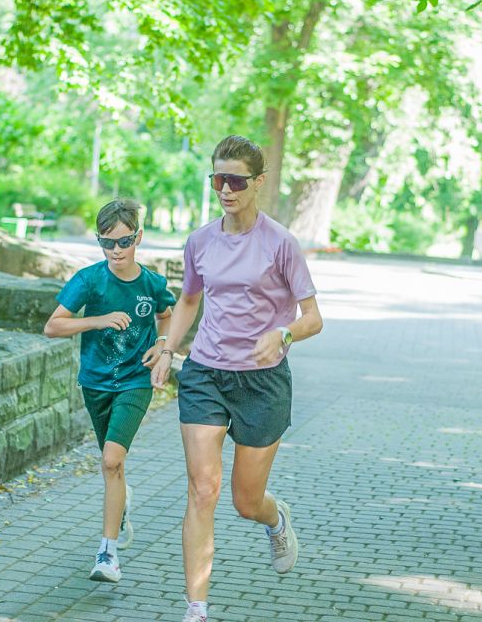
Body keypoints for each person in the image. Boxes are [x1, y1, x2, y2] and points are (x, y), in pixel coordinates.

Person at [151, 135, 323, 621]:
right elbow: (188, 300)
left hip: (262, 382)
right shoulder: (200, 241)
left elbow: (313, 317)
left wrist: (283, 334)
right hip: (205, 373)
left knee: (245, 501)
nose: (225, 189)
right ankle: (196, 608)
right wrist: (168, 347)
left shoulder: (280, 243)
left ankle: (275, 517)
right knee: (202, 488)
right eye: (218, 179)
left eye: (235, 180)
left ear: (259, 183)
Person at [44, 199, 175, 582]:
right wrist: (97, 320)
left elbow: (167, 314)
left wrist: (162, 344)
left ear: (139, 237)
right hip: (96, 384)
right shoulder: (89, 280)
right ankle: (121, 506)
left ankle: (107, 554)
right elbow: (53, 326)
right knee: (110, 465)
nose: (116, 251)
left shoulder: (152, 283)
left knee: (111, 461)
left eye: (124, 241)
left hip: (136, 381)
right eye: (107, 243)